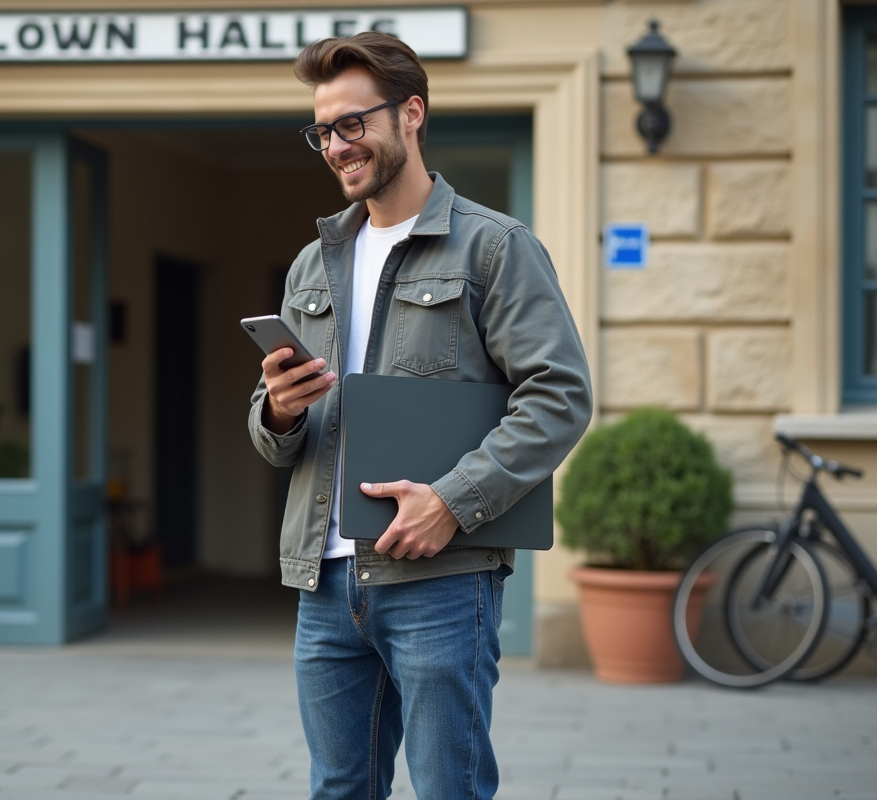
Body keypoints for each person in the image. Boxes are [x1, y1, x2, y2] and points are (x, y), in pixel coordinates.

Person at [247, 32, 593, 800]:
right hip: (325, 585)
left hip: (441, 582)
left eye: (352, 124)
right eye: (322, 131)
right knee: (340, 788)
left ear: (412, 113)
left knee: (449, 789)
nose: (336, 146)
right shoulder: (314, 262)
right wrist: (276, 410)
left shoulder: (494, 248)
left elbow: (560, 394)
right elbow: (277, 441)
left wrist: (453, 503)